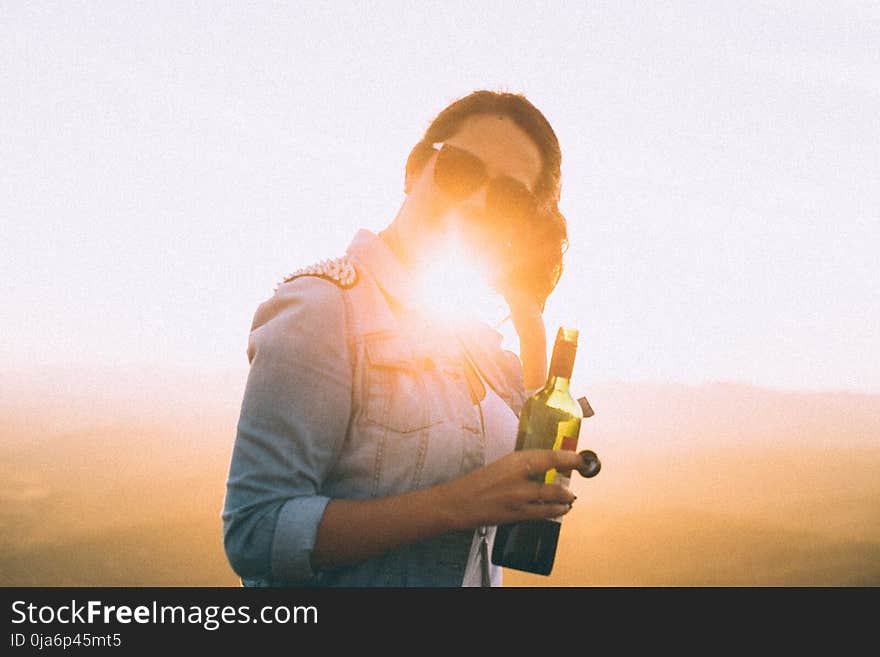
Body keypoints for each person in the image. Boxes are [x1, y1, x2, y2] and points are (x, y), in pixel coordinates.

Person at [222, 90, 584, 586]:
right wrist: (457, 505)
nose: (478, 202)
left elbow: (515, 501)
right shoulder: (325, 309)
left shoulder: (474, 344)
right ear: (415, 170)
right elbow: (255, 532)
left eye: (509, 197)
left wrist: (529, 316)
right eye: (461, 169)